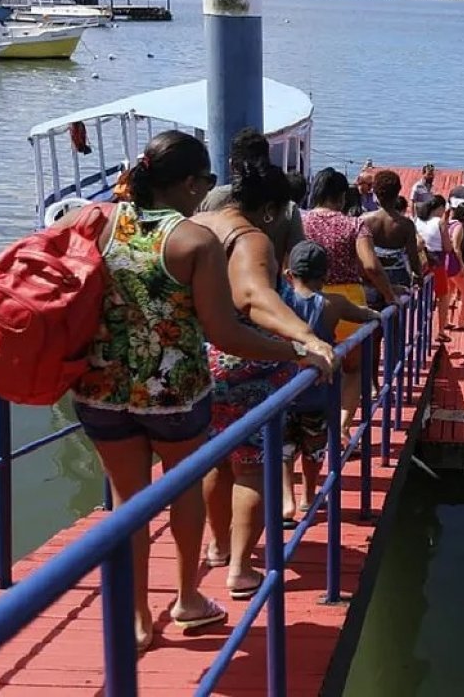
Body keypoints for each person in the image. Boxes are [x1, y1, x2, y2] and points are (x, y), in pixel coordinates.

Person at [59, 130, 326, 652]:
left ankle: (136, 620)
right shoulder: (193, 240)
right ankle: (187, 600)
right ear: (185, 182)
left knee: (127, 506)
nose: (206, 189)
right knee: (184, 496)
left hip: (101, 392)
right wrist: (298, 351)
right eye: (204, 179)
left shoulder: (96, 220)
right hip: (173, 396)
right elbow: (225, 331)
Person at [193, 156, 336, 601]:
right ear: (272, 209)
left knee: (215, 457)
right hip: (245, 361)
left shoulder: (200, 221)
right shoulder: (253, 239)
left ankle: (217, 546)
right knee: (251, 469)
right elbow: (254, 296)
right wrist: (305, 338)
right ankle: (241, 568)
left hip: (200, 358)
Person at [282, 241, 381, 513]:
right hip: (318, 392)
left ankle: (286, 499)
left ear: (289, 274)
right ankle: (309, 496)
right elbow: (364, 314)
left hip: (283, 389)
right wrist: (378, 314)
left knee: (284, 446)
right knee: (314, 447)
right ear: (325, 276)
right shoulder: (332, 303)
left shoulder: (279, 304)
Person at [302, 168, 398, 435]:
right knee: (354, 370)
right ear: (342, 197)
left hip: (308, 303)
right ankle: (342, 427)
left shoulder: (300, 222)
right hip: (348, 306)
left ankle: (309, 429)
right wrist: (390, 296)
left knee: (311, 368)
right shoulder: (354, 225)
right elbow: (371, 266)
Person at [201, 127, 307, 263]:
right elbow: (301, 262)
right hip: (267, 281)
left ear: (232, 165)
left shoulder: (209, 200)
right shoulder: (287, 209)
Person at [361, 169, 422, 309]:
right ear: (397, 192)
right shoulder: (406, 225)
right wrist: (419, 276)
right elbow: (413, 258)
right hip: (398, 276)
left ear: (375, 193)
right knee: (395, 319)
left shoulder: (363, 221)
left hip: (371, 278)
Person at [414, 195, 456, 340]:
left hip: (421, 261)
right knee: (443, 296)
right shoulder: (440, 222)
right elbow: (448, 247)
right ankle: (441, 330)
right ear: (439, 208)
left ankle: (419, 328)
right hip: (436, 262)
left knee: (422, 296)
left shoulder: (418, 220)